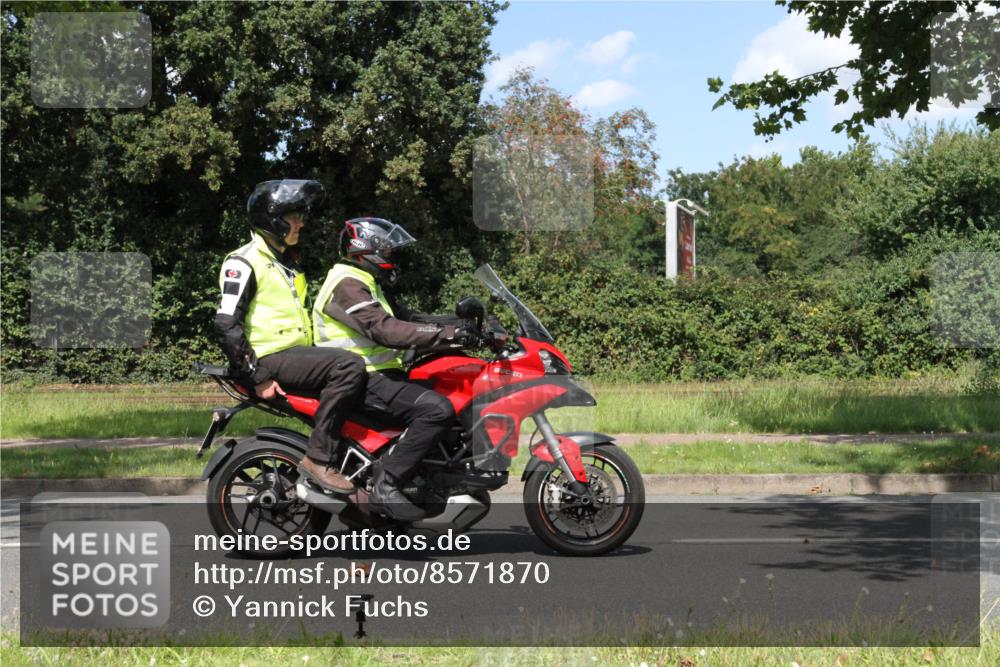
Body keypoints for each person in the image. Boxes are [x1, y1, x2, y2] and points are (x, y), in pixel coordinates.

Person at [312, 217, 480, 521]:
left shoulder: (365, 283)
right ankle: (386, 482)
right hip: (361, 379)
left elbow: (410, 320)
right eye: (388, 251)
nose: (393, 258)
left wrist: (467, 328)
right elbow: (386, 331)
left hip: (379, 375)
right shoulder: (347, 285)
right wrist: (450, 336)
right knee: (437, 410)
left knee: (449, 396)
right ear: (367, 250)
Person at [213, 180, 366, 494]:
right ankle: (319, 460)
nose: (301, 222)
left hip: (293, 354)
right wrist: (258, 375)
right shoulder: (243, 262)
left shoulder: (285, 262)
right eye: (292, 215)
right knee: (348, 366)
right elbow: (226, 323)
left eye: (300, 215)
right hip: (270, 357)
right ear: (271, 219)